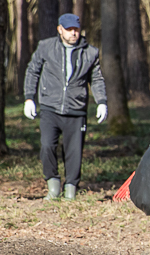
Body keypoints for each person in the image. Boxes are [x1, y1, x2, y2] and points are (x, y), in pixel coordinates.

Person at [24, 13, 108, 200]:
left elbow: (96, 79)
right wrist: (29, 98)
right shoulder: (46, 47)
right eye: (69, 29)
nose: (73, 33)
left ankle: (71, 190)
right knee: (47, 146)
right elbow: (32, 71)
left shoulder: (90, 52)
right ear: (59, 29)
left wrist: (101, 101)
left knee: (74, 152)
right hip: (49, 107)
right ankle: (53, 187)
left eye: (76, 29)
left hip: (76, 110)